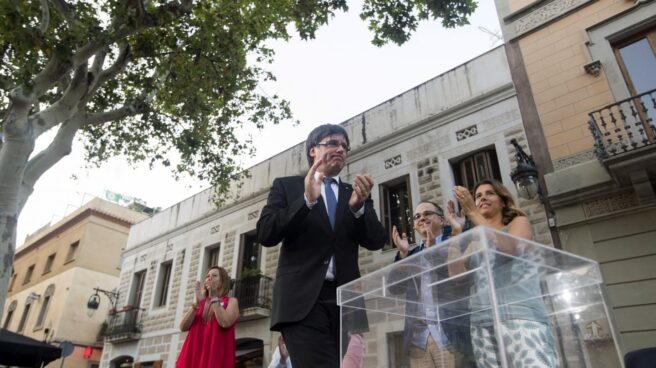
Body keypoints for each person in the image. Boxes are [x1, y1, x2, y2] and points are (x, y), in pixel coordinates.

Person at [257, 124, 387, 367]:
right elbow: (266, 233)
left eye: (344, 146)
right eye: (333, 143)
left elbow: (376, 240)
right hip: (302, 301)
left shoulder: (355, 192)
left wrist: (359, 208)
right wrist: (306, 201)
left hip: (344, 302)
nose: (341, 149)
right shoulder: (287, 186)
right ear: (313, 151)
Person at [450, 179, 559, 367]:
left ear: (503, 201)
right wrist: (456, 232)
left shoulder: (519, 222)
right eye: (477, 196)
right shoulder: (475, 241)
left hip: (520, 315)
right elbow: (455, 275)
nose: (482, 198)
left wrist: (473, 212)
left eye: (489, 193)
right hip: (482, 322)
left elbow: (510, 248)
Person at [390, 201, 475, 368]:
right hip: (418, 341)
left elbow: (461, 280)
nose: (422, 218)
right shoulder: (411, 254)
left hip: (449, 336)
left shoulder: (456, 243)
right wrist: (403, 254)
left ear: (442, 220)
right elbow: (394, 288)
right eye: (417, 216)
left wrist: (434, 250)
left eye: (427, 213)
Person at [176, 266, 240, 368]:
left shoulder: (231, 301)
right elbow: (183, 327)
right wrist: (196, 304)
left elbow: (225, 322)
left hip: (215, 357)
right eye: (207, 276)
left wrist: (214, 297)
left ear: (222, 281)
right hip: (192, 357)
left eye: (214, 276)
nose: (209, 278)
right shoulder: (199, 302)